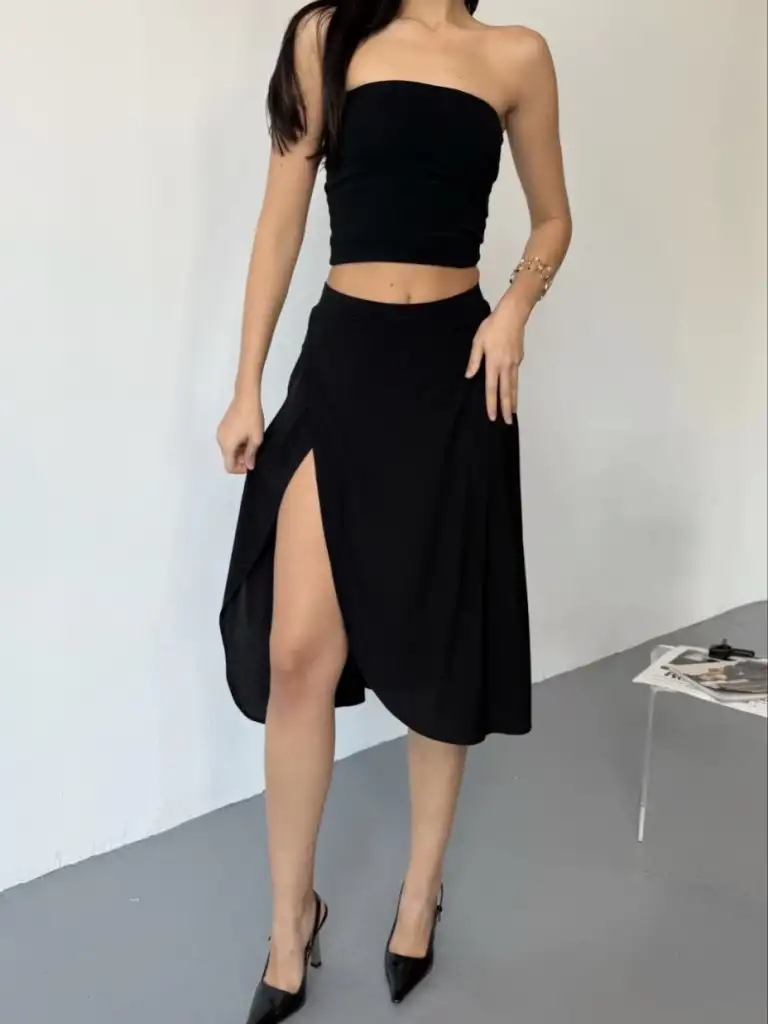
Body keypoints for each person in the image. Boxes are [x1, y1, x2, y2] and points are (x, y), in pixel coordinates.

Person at [216, 1, 571, 1020]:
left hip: (456, 372)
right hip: (345, 365)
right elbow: (281, 217)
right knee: (297, 652)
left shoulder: (516, 56)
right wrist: (246, 385)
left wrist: (515, 307)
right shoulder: (327, 36)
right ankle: (292, 919)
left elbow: (553, 217)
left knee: (438, 648)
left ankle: (420, 892)